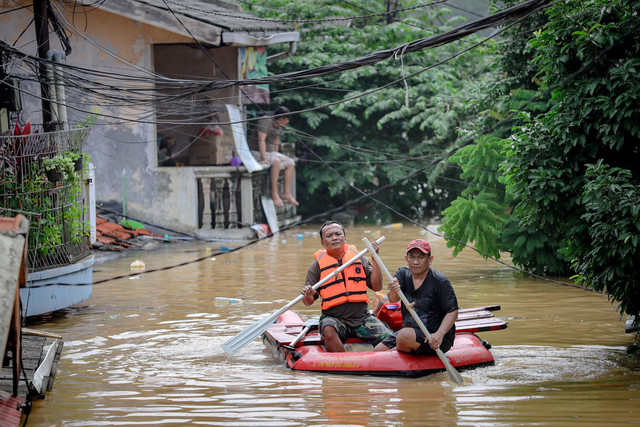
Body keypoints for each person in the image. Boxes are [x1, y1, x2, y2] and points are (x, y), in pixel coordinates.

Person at [301, 221, 392, 352]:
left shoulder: (360, 259)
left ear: (345, 238)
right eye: (329, 235)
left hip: (362, 319)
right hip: (335, 320)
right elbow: (307, 302)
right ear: (322, 242)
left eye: (338, 234)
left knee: (391, 340)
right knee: (328, 328)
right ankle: (342, 363)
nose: (334, 238)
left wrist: (375, 258)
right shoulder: (316, 266)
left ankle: (373, 362)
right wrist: (308, 294)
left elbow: (377, 287)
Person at [374, 239, 459, 355]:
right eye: (412, 257)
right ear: (406, 259)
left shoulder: (440, 281)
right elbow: (393, 299)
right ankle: (400, 349)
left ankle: (397, 350)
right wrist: (392, 291)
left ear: (430, 259)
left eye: (421, 257)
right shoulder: (402, 274)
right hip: (410, 332)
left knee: (403, 336)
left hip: (434, 336)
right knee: (377, 351)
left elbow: (453, 311)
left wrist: (439, 334)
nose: (415, 262)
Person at [247, 106, 298, 207]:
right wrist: (264, 158)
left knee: (291, 162)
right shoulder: (265, 121)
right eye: (286, 119)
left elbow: (276, 141)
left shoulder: (279, 126)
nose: (287, 121)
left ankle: (286, 193)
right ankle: (274, 195)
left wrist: (276, 153)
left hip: (270, 153)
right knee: (276, 161)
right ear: (281, 118)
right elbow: (261, 139)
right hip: (255, 151)